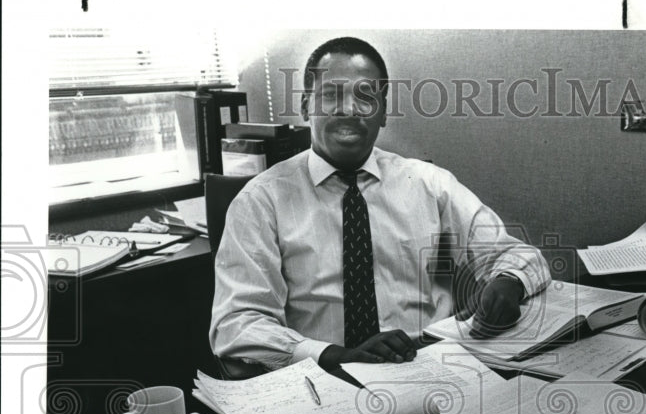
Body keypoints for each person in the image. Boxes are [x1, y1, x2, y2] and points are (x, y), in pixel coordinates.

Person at [210, 37, 550, 373]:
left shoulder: (430, 184)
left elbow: (519, 255)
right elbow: (236, 324)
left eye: (365, 97)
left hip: (429, 368)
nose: (349, 109)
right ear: (305, 107)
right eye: (331, 95)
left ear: (383, 112)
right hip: (323, 380)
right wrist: (332, 355)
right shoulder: (260, 202)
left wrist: (509, 282)